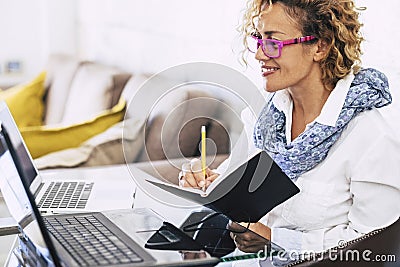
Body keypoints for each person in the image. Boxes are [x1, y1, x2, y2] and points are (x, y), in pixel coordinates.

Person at [180, 0, 400, 265]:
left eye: (273, 42)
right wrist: (206, 180)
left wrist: (277, 240)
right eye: (258, 40)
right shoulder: (267, 119)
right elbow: (237, 185)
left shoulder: (372, 138)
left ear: (320, 46)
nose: (260, 54)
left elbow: (376, 250)